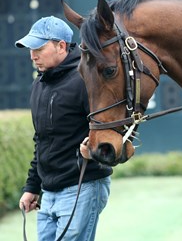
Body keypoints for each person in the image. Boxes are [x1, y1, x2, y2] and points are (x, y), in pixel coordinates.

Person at [16, 16, 112, 241]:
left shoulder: (86, 81)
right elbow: (41, 141)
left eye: (38, 48)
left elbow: (113, 131)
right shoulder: (38, 85)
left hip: (83, 186)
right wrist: (32, 187)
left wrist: (96, 154)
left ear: (61, 46)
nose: (32, 55)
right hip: (48, 193)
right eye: (30, 49)